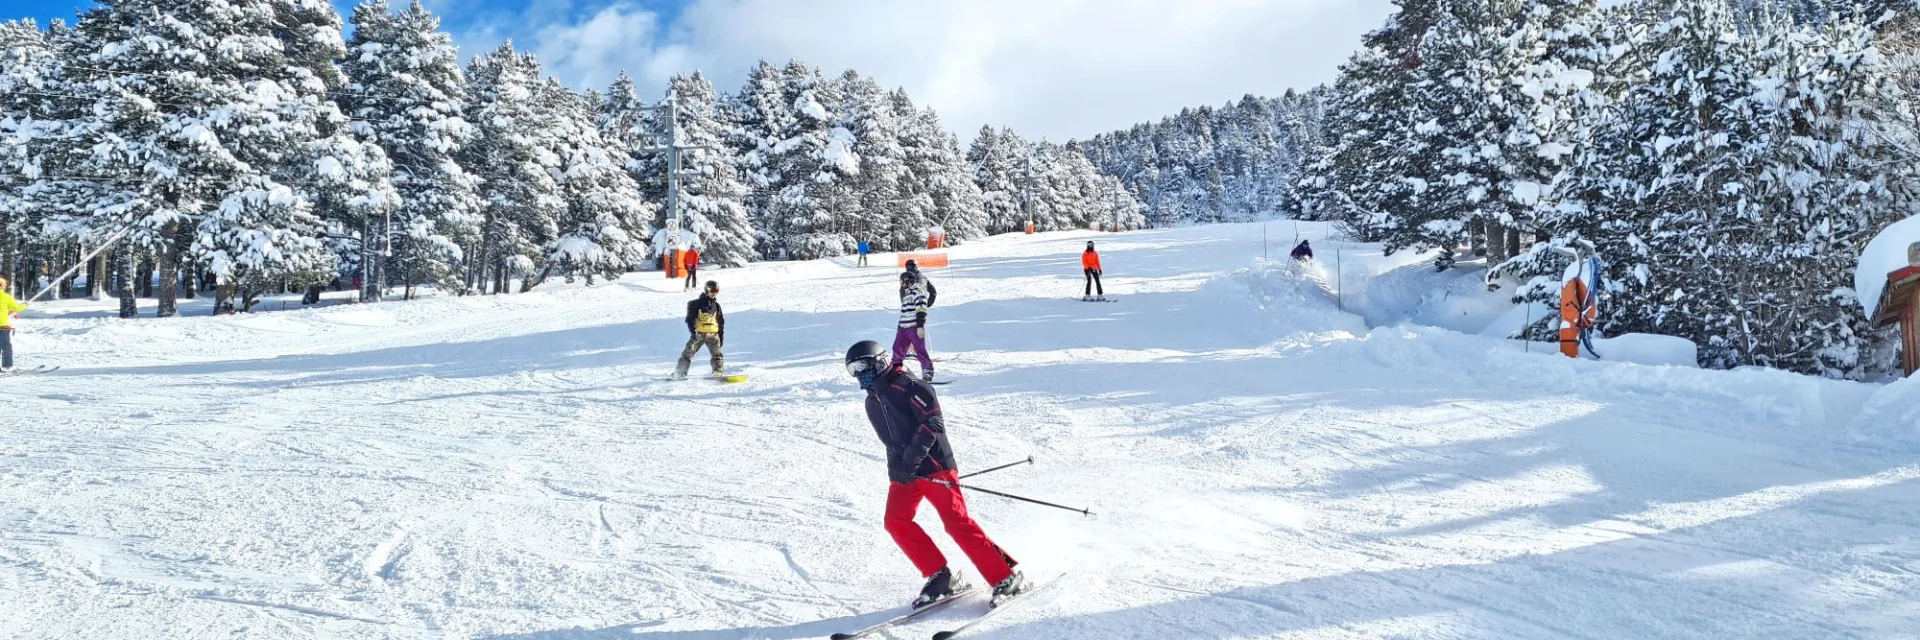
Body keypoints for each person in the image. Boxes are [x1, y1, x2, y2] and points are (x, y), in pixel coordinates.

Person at [844, 340, 1026, 608]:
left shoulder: (910, 387)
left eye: (862, 365)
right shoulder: (872, 401)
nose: (859, 374)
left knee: (956, 523)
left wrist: (913, 461)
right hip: (906, 474)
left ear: (879, 361)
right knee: (896, 521)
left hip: (935, 467)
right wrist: (898, 470)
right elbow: (891, 442)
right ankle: (941, 577)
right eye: (852, 370)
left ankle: (1006, 576)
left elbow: (933, 422)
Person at [891, 261, 937, 381]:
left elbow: (921, 308)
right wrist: (899, 327)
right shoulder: (906, 294)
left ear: (907, 281)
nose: (901, 284)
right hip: (903, 328)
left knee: (919, 349)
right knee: (897, 348)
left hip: (914, 326)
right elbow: (904, 312)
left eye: (902, 282)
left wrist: (920, 325)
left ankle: (928, 371)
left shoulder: (918, 292)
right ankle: (896, 369)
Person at [675, 281, 725, 378]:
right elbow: (690, 319)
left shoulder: (717, 306)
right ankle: (680, 373)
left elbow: (721, 322)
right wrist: (693, 332)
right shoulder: (695, 304)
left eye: (717, 290)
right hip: (699, 334)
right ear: (706, 290)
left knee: (717, 355)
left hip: (713, 335)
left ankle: (717, 371)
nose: (714, 292)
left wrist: (721, 336)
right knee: (687, 353)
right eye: (712, 290)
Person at [0, 276, 24, 372]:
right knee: (6, 347)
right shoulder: (6, 297)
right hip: (3, 327)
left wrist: (10, 313)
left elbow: (2, 309)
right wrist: (25, 305)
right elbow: (17, 308)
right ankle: (7, 366)